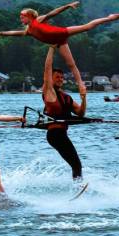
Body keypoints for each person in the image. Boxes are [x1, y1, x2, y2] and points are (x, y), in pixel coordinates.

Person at [0, 1, 119, 95]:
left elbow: (53, 13)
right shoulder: (28, 31)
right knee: (71, 64)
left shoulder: (38, 20)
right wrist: (0, 33)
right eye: (20, 16)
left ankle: (109, 18)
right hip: (58, 43)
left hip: (62, 33)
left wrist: (68, 6)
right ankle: (80, 84)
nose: (20, 17)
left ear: (29, 16)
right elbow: (15, 33)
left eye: (22, 15)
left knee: (87, 27)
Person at [41, 46, 87, 180]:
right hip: (54, 134)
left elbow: (80, 113)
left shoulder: (67, 97)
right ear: (51, 79)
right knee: (77, 164)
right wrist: (51, 48)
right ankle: (78, 187)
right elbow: (47, 67)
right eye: (57, 77)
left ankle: (77, 185)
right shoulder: (49, 92)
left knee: (76, 164)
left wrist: (84, 98)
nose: (60, 79)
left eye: (62, 77)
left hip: (62, 134)